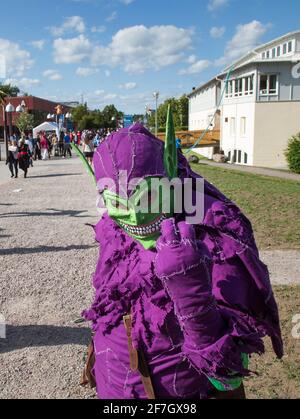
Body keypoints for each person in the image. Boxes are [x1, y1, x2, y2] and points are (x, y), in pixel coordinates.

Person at [81, 120, 283, 400]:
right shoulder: (113, 229)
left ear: (172, 180)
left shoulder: (212, 236)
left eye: (149, 196)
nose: (136, 217)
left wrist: (192, 296)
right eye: (117, 203)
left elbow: (229, 380)